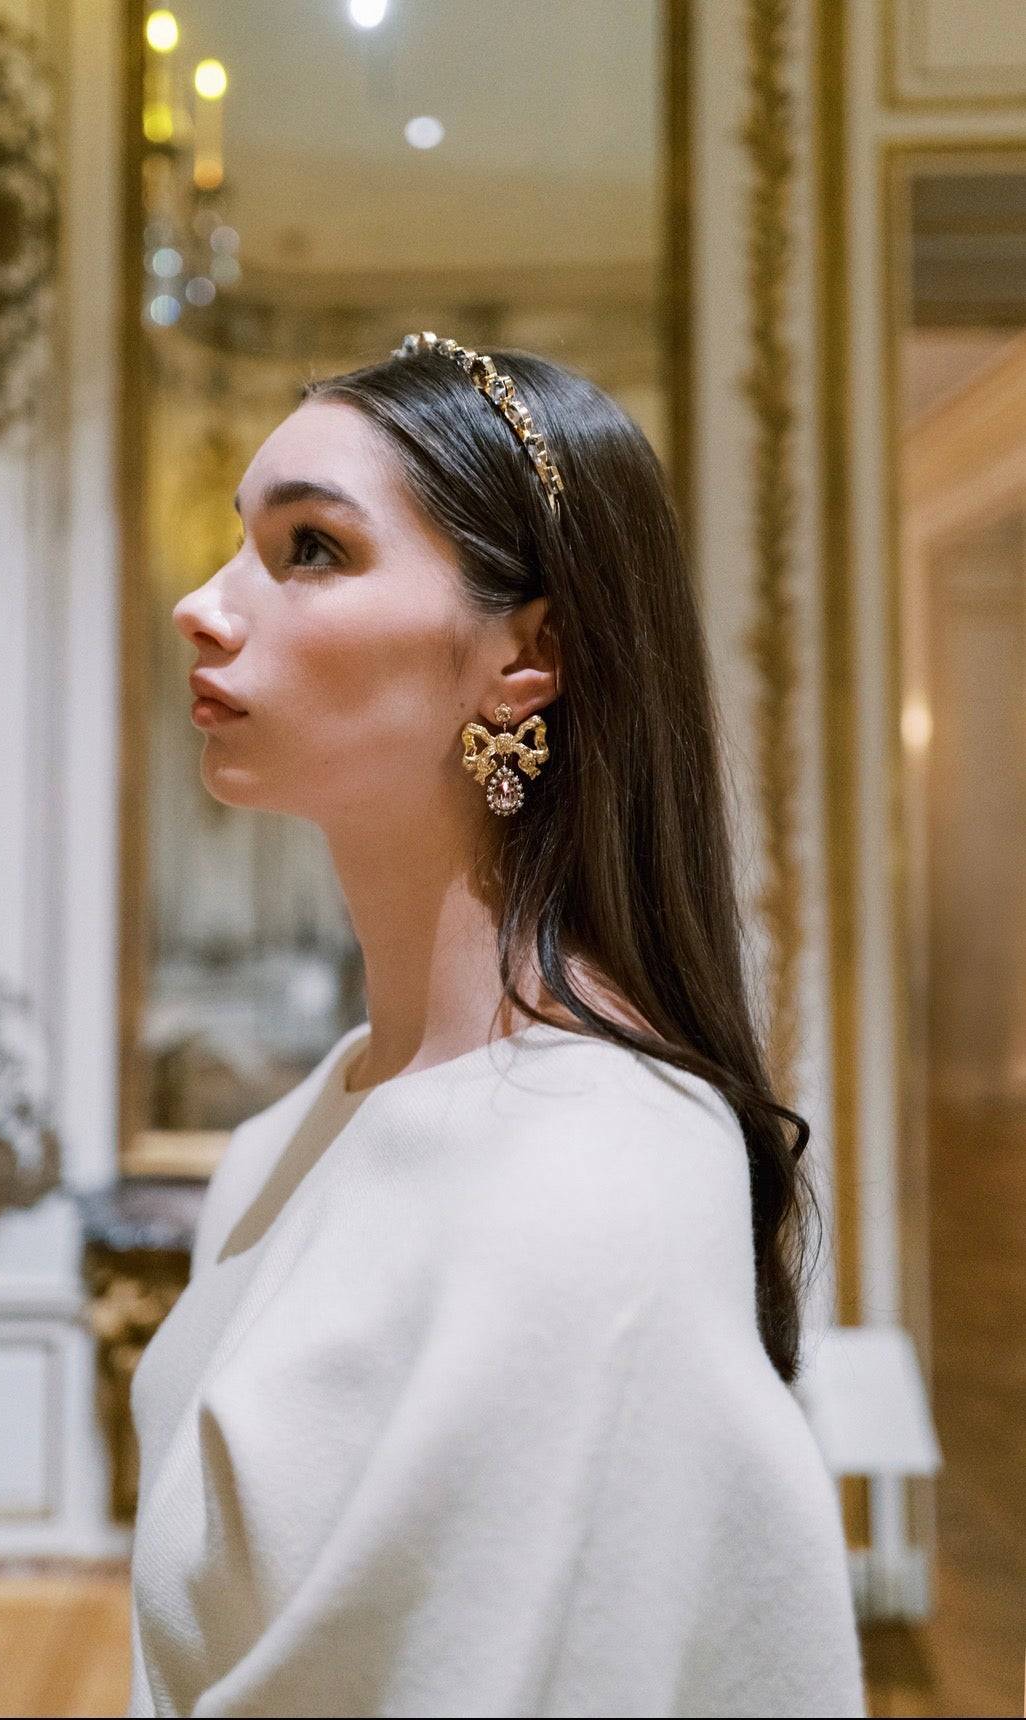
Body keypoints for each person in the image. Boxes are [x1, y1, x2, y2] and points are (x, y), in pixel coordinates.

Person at [128, 332, 866, 1717]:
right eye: (239, 541)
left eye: (308, 551)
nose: (200, 607)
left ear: (526, 657)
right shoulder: (299, 1131)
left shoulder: (591, 1180)